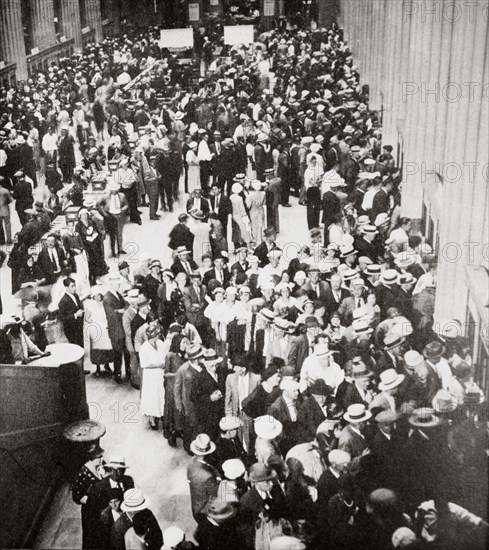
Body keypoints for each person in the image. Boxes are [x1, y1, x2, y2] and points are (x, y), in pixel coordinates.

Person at [72, 443, 106, 549]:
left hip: (100, 508)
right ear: (91, 459)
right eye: (99, 457)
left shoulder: (100, 467)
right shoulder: (83, 472)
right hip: (90, 511)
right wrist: (90, 500)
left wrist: (103, 475)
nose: (101, 459)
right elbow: (76, 495)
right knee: (91, 536)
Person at [187, 433, 221, 522]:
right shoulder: (207, 475)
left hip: (196, 506)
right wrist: (218, 478)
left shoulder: (191, 462)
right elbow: (216, 492)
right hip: (205, 511)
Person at [139, 323, 166, 430]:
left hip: (160, 374)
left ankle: (161, 414)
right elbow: (144, 364)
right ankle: (152, 418)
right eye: (155, 336)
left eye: (157, 335)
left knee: (160, 394)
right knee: (152, 397)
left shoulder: (160, 343)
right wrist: (158, 365)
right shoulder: (144, 348)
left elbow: (164, 354)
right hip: (151, 375)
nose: (157, 338)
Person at [85, 285, 113, 377]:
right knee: (97, 349)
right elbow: (87, 318)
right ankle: (97, 368)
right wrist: (94, 324)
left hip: (105, 328)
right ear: (93, 296)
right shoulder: (90, 305)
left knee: (107, 348)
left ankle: (107, 365)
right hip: (96, 329)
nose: (97, 297)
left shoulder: (104, 303)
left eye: (99, 295)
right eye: (95, 295)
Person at [57, 277, 85, 348]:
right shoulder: (63, 301)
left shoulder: (76, 295)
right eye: (72, 286)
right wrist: (75, 315)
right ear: (66, 287)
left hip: (79, 327)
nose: (75, 288)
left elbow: (80, 306)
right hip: (71, 331)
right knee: (77, 348)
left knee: (82, 346)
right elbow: (61, 318)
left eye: (75, 285)